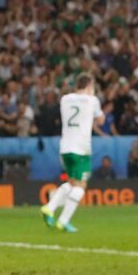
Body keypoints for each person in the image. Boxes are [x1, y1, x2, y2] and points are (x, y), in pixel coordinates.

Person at [40, 74, 104, 233]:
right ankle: (57, 215)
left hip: (65, 147)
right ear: (89, 85)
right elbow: (101, 120)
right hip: (81, 148)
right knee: (80, 186)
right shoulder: (92, 100)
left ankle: (55, 213)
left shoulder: (65, 99)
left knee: (72, 183)